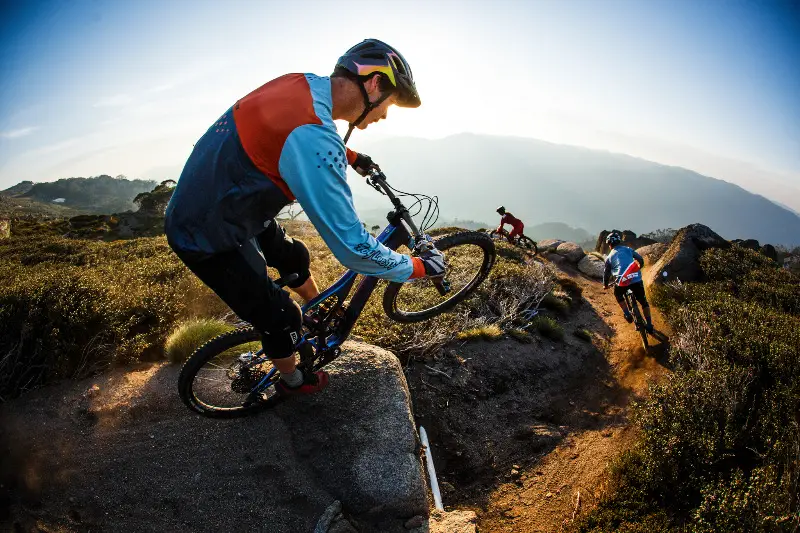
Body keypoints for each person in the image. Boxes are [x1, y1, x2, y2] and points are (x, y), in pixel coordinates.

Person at [164, 39, 445, 397]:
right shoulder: (315, 137)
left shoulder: (300, 84)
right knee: (280, 318)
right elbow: (354, 248)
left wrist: (351, 155)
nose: (385, 115)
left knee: (293, 257)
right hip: (205, 233)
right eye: (389, 104)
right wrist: (419, 268)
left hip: (227, 203)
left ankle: (316, 315)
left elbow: (287, 129)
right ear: (374, 84)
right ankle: (293, 381)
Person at [602, 231, 653, 333]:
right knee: (644, 302)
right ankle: (649, 325)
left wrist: (605, 285)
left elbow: (606, 273)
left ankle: (627, 313)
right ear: (619, 241)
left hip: (621, 282)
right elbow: (640, 259)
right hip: (635, 279)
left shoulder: (609, 257)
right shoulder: (628, 249)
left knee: (618, 294)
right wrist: (639, 267)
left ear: (609, 245)